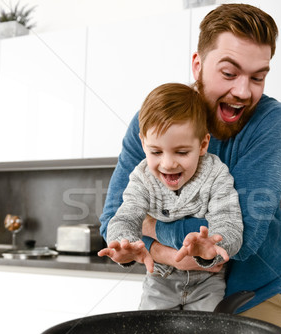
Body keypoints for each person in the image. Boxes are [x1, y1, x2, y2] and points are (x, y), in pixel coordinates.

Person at [100, 3, 281, 334]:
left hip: (255, 293)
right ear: (198, 65)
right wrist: (161, 250)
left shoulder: (272, 122)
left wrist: (149, 224)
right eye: (229, 73)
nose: (243, 91)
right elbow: (113, 220)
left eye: (258, 77)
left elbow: (240, 239)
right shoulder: (151, 122)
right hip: (167, 287)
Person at [98, 82, 243, 311]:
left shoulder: (217, 175)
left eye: (182, 152)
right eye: (156, 152)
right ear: (143, 143)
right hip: (159, 280)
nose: (168, 164)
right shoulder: (142, 177)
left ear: (203, 144)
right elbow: (125, 217)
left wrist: (214, 245)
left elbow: (230, 223)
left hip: (208, 283)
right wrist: (123, 242)